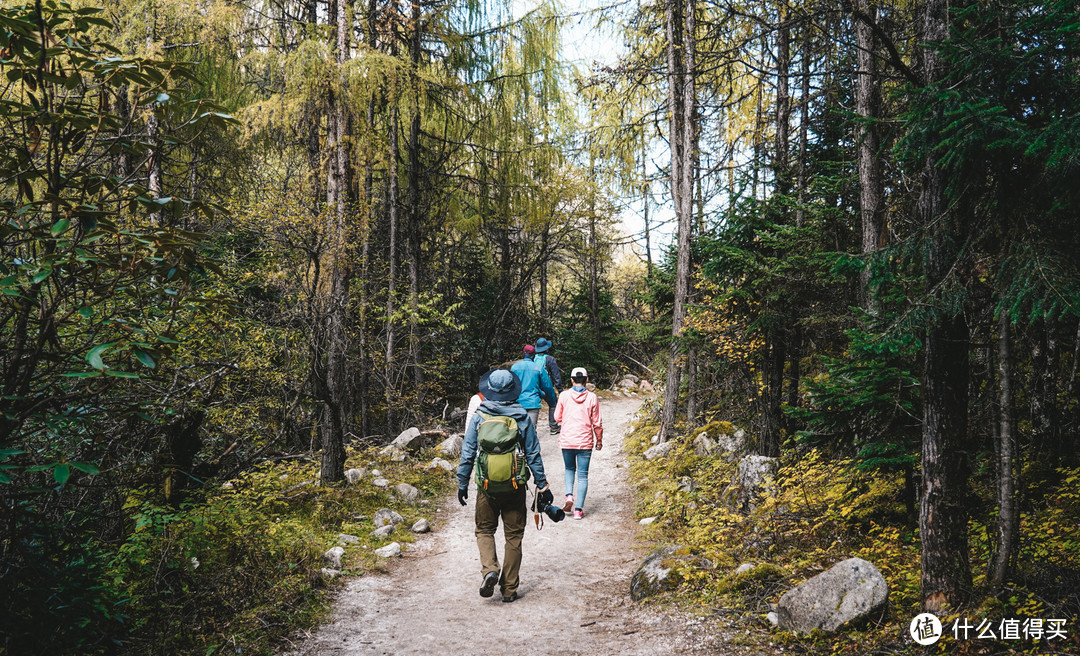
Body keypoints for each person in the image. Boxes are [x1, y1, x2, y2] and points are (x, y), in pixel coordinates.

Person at [457, 369, 553, 603]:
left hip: (487, 486)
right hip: (515, 486)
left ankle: (490, 568)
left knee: (484, 530)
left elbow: (468, 452)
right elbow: (533, 454)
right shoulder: (522, 417)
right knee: (514, 536)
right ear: (512, 390)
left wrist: (462, 482)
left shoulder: (480, 416)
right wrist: (542, 484)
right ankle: (509, 589)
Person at [553, 367, 603, 520]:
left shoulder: (564, 395)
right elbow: (597, 422)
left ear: (572, 380)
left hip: (567, 440)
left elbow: (556, 417)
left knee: (569, 469)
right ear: (586, 380)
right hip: (585, 442)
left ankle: (569, 496)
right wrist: (599, 440)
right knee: (582, 475)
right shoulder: (592, 397)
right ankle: (578, 511)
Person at [511, 344, 557, 431]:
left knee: (517, 430)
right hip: (533, 402)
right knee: (531, 431)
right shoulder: (538, 368)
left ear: (523, 354)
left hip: (517, 402)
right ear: (533, 355)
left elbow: (510, 386)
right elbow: (548, 386)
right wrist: (552, 402)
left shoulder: (514, 368)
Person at [533, 337, 563, 434]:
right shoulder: (549, 359)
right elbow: (555, 375)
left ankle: (532, 429)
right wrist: (560, 390)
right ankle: (553, 426)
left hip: (535, 385)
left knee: (534, 408)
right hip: (546, 386)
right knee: (553, 404)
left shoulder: (533, 358)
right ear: (546, 348)